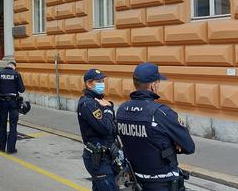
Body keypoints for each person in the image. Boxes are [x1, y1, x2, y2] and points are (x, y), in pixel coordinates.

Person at [117, 62, 195, 191]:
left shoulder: (122, 110)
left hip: (136, 180)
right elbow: (189, 147)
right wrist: (173, 144)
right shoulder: (161, 113)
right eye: (158, 82)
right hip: (162, 182)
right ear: (153, 86)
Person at [77, 68, 117, 191]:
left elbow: (112, 127)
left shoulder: (98, 101)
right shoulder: (88, 104)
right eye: (98, 81)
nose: (102, 84)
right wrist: (109, 110)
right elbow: (105, 128)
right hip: (99, 159)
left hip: (106, 156)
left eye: (102, 81)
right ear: (89, 83)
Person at [0, 61, 25, 154]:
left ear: (7, 66)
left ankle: (1, 147)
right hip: (13, 103)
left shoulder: (0, 74)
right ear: (14, 67)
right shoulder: (16, 74)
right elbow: (22, 89)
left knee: (2, 124)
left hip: (2, 102)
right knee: (13, 125)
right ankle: (11, 148)